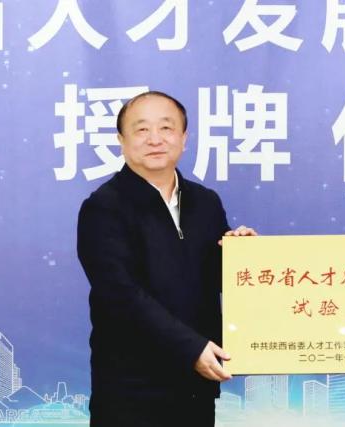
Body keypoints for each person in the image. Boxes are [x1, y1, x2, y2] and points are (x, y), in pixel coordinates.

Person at [77, 91, 255, 426]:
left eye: (166, 128)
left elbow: (212, 278)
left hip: (196, 386)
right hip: (131, 391)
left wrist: (241, 257)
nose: (155, 139)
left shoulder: (205, 202)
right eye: (142, 129)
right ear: (121, 140)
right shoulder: (103, 208)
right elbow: (120, 295)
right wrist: (190, 348)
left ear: (184, 138)